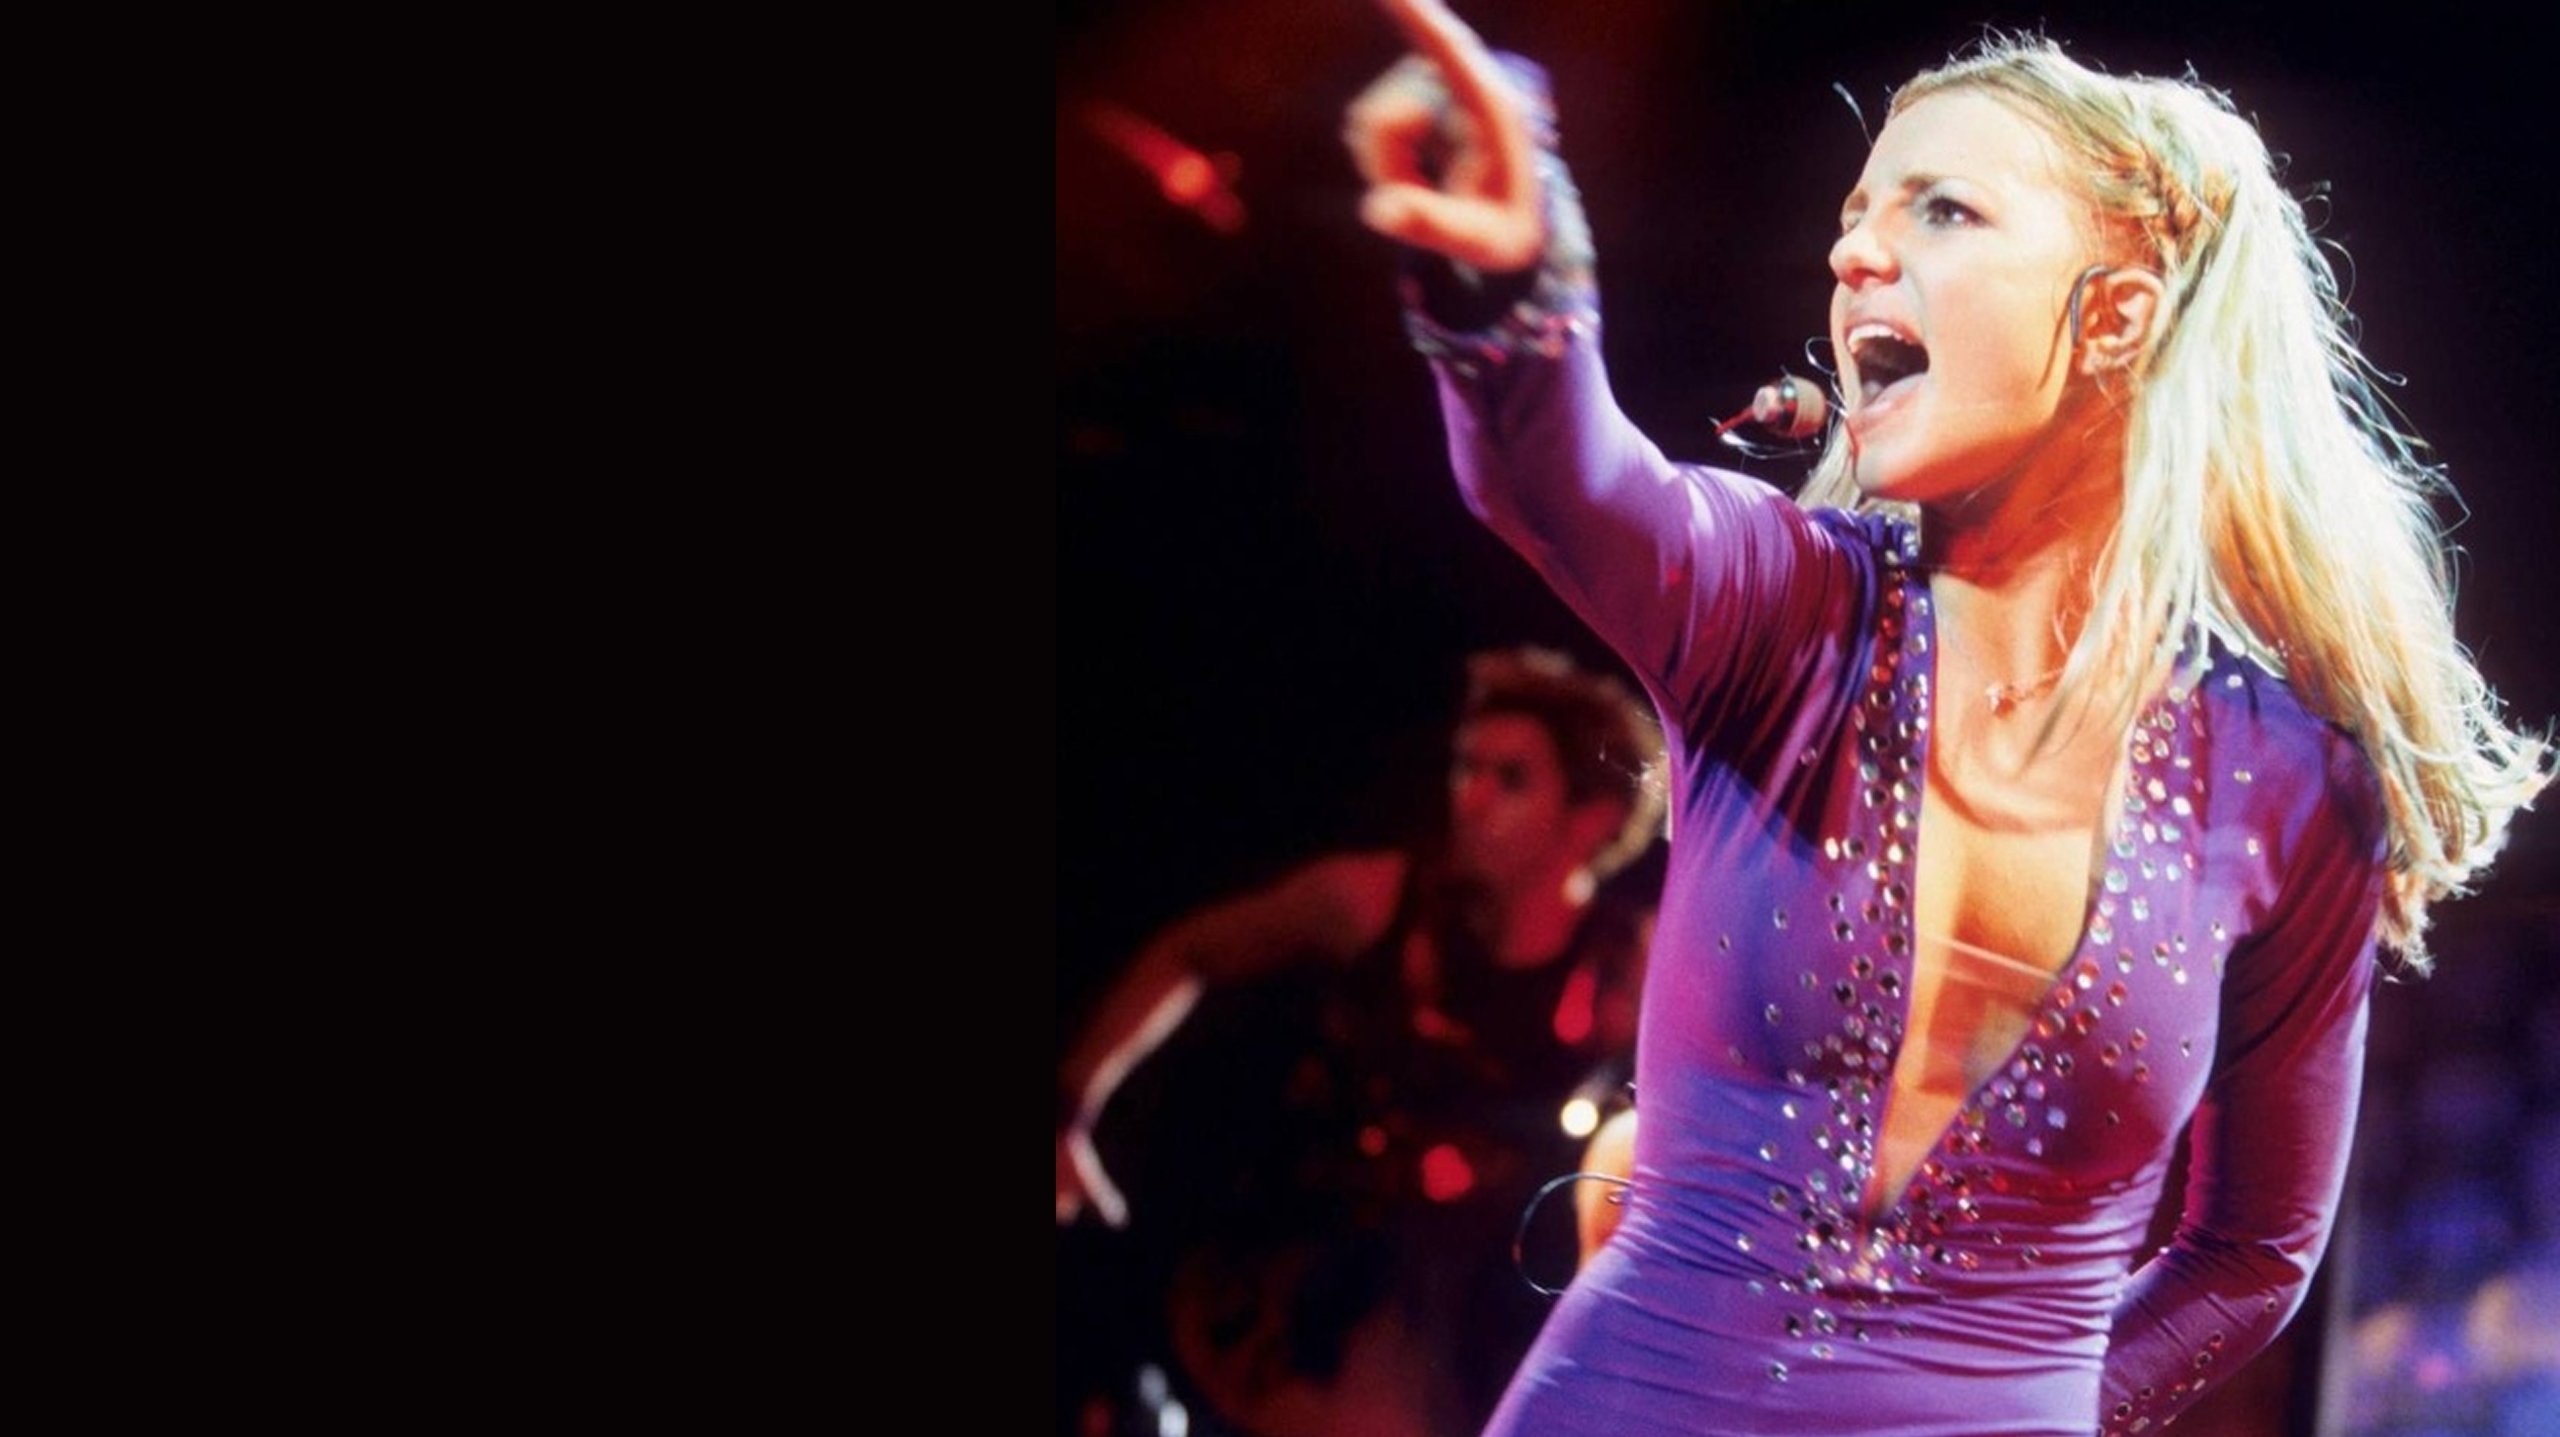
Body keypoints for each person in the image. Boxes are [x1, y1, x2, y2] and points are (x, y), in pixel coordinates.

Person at [1339, 4, 2553, 1435]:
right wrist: (1506, 285)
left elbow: (2254, 1255)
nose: (1854, 252)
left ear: (2114, 317)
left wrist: (2023, 1411)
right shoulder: (1785, 614)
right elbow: (1569, 480)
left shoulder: (2292, 788)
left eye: (1942, 209)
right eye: (1854, 216)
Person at [1057, 644, 1667, 1436]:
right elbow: (1193, 951)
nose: (1470, 797)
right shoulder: (1378, 900)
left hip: (1486, 1317)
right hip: (1310, 1285)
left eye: (1510, 778)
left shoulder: (1631, 965)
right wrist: (1069, 1108)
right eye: (1466, 767)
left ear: (1592, 818)